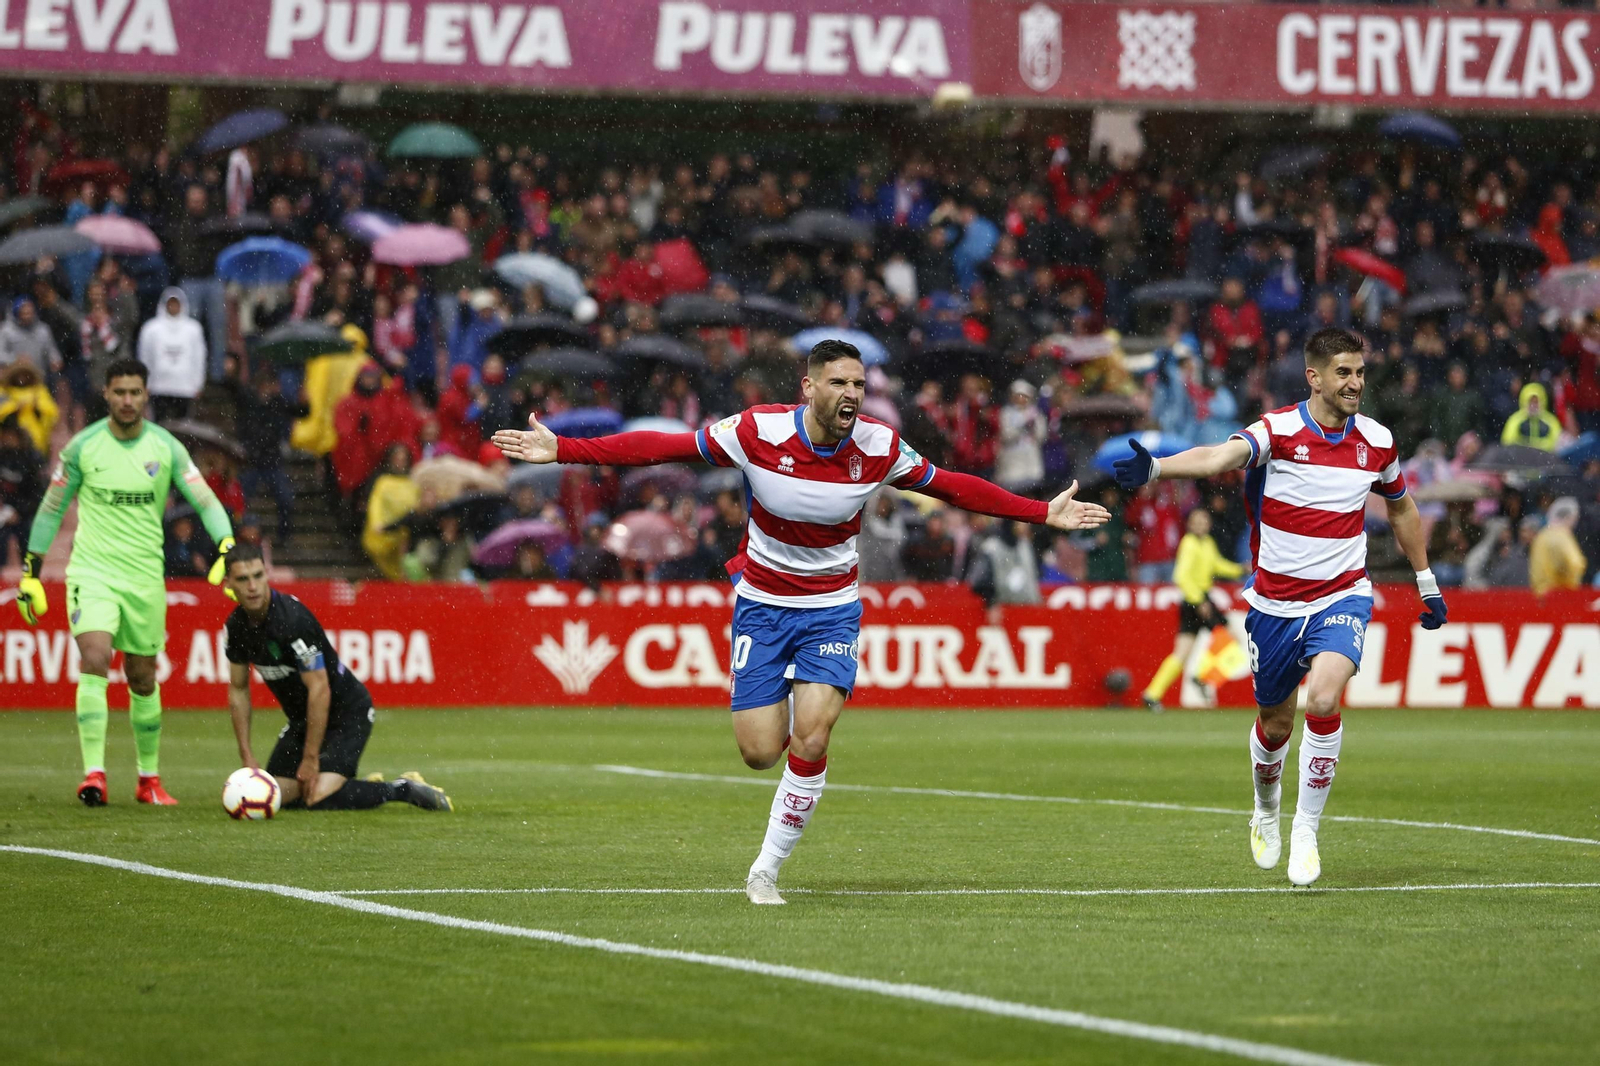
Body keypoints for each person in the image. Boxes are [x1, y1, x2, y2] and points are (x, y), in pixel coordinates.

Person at [494, 339, 1110, 904]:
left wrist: (1038, 512)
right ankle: (779, 726)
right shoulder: (757, 431)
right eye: (839, 383)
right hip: (762, 603)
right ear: (809, 388)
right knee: (761, 752)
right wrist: (565, 450)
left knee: (812, 737)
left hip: (831, 609)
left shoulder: (878, 446)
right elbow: (666, 445)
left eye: (860, 386)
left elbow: (952, 487)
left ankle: (766, 867)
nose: (851, 395)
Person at [1114, 328, 1446, 887]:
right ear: (1314, 377)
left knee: (1323, 697)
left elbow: (1403, 507)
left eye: (1360, 372)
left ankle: (1307, 830)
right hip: (1273, 605)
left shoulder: (1378, 441)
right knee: (1276, 722)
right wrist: (1158, 469)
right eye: (1343, 373)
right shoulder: (1280, 430)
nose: (1355, 383)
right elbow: (1222, 454)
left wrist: (1426, 579)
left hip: (1342, 594)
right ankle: (1266, 807)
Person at [17, 358, 235, 807]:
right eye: (120, 392)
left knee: (141, 677)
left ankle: (148, 779)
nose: (128, 400)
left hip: (144, 576)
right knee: (95, 656)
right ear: (107, 395)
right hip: (93, 571)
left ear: (146, 395)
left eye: (136, 392)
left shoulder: (167, 447)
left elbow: (205, 499)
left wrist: (226, 545)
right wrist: (31, 570)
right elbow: (52, 508)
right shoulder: (82, 447)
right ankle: (93, 775)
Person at [221, 542, 452, 812]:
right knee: (277, 795)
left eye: (258, 576)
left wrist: (310, 759)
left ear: (267, 574)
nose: (252, 586)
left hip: (347, 711)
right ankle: (344, 784)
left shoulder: (293, 621)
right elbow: (238, 689)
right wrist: (246, 754)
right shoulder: (235, 627)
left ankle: (401, 788)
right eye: (243, 579)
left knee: (316, 796)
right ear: (229, 583)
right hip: (303, 720)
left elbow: (320, 689)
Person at [1140, 508, 1244, 712]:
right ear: (1190, 525)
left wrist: (1239, 569)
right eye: (1196, 521)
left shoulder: (1207, 543)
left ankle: (1152, 694)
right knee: (1233, 643)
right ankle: (1204, 678)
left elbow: (1217, 565)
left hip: (1192, 602)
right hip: (1197, 600)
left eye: (1203, 521)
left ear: (1208, 524)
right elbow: (1181, 576)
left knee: (1182, 653)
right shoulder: (1189, 544)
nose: (1200, 525)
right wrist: (1199, 602)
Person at [137, 287, 207, 423]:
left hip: (185, 388)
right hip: (159, 388)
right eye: (170, 303)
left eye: (176, 303)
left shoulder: (194, 329)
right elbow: (145, 357)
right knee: (159, 425)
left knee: (184, 428)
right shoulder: (150, 329)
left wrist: (198, 384)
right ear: (164, 304)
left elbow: (199, 358)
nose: (173, 307)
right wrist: (145, 383)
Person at [1529, 497, 1586, 596]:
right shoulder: (1560, 536)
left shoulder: (1542, 535)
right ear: (1569, 517)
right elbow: (1570, 563)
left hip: (1540, 595)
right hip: (1559, 594)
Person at [1500, 382, 1562, 452]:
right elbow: (1507, 441)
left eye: (1536, 402)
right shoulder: (1516, 420)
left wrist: (1541, 448)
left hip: (1545, 458)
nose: (1533, 405)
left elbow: (1557, 442)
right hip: (1521, 458)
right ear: (1524, 401)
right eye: (1531, 402)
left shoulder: (1550, 421)